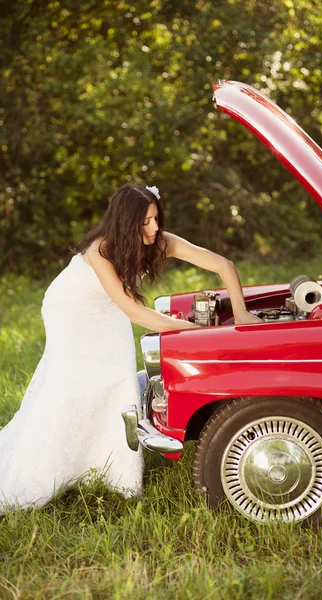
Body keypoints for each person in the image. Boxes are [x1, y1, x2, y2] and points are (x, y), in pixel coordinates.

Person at [0, 183, 262, 512]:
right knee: (71, 385)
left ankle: (115, 472)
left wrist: (240, 312)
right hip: (70, 309)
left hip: (110, 308)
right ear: (125, 224)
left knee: (119, 378)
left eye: (156, 218)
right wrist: (194, 331)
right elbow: (137, 313)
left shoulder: (160, 242)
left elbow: (223, 264)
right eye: (145, 222)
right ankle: (47, 463)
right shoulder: (100, 252)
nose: (154, 228)